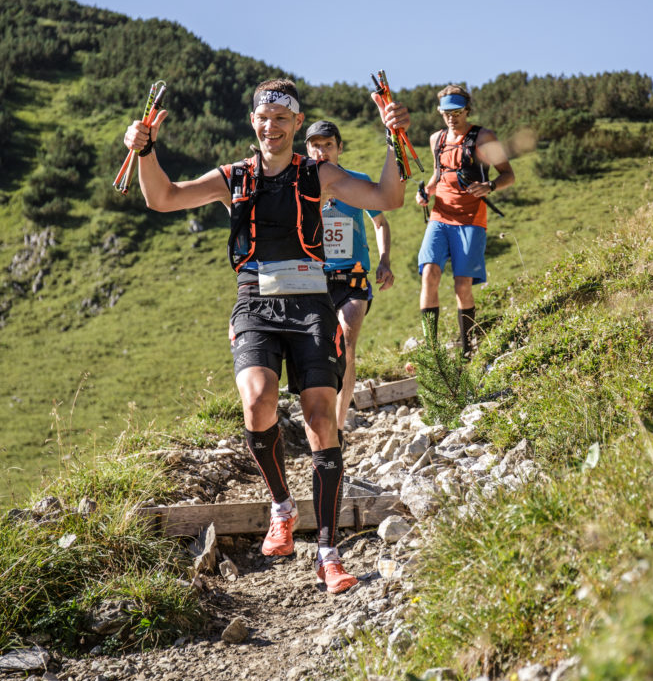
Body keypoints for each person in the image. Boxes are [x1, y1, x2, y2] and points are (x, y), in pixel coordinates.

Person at [123, 79, 409, 594]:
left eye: (282, 117)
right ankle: (281, 504)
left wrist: (393, 141)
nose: (272, 125)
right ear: (252, 123)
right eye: (264, 117)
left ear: (297, 125)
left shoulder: (318, 174)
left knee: (322, 417)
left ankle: (327, 550)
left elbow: (389, 197)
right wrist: (146, 150)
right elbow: (162, 197)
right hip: (255, 300)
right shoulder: (234, 177)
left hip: (311, 303)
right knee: (257, 403)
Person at [304, 120, 394, 444]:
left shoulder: (358, 183)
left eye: (328, 144)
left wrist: (384, 260)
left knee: (347, 342)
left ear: (340, 148)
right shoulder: (299, 186)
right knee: (318, 351)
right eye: (315, 145)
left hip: (353, 277)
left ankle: (338, 430)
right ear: (307, 150)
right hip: (314, 280)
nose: (322, 150)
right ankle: (320, 420)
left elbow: (381, 223)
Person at [416, 84, 515, 357]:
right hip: (439, 216)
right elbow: (437, 177)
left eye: (457, 112)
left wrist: (490, 186)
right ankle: (431, 349)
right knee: (429, 274)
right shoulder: (436, 139)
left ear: (467, 110)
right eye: (446, 112)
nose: (452, 117)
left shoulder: (484, 137)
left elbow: (509, 174)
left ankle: (468, 349)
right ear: (440, 112)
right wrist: (425, 193)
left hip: (472, 220)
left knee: (462, 286)